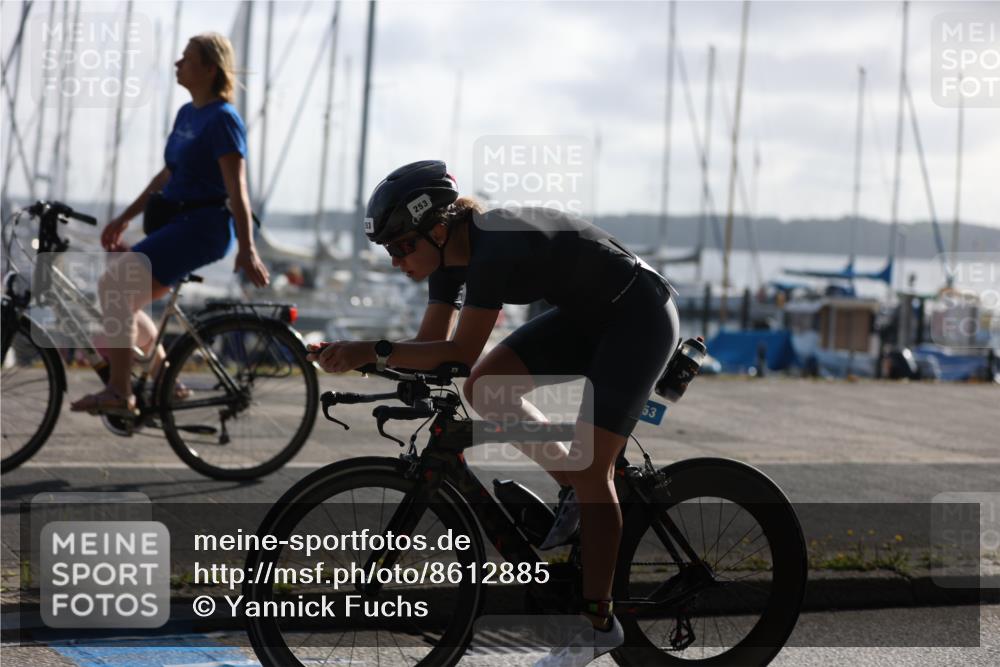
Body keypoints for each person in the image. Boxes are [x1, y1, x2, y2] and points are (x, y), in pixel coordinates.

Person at [308, 160, 681, 667]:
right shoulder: (447, 260)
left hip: (638, 316)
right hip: (586, 319)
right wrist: (360, 360)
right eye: (387, 251)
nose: (396, 261)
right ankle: (574, 485)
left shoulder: (493, 245)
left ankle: (597, 624)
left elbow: (458, 351)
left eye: (400, 247)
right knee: (489, 387)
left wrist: (369, 350)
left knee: (594, 470)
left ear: (437, 228)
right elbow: (428, 348)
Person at [70, 33, 269, 415]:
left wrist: (247, 249)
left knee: (115, 284)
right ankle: (165, 382)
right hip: (179, 221)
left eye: (186, 59)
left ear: (210, 69)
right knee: (120, 300)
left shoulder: (224, 120)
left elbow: (237, 188)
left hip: (204, 227)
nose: (178, 64)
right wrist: (124, 217)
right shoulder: (187, 114)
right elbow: (167, 174)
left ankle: (120, 392)